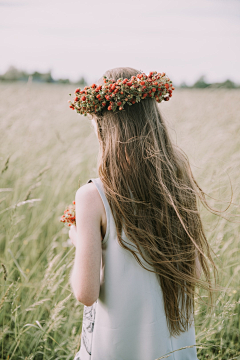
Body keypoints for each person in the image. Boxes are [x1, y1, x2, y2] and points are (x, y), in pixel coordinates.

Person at [68, 67, 216, 360]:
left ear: (101, 126)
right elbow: (195, 271)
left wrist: (79, 242)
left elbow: (86, 293)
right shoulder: (178, 179)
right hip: (174, 348)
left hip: (117, 348)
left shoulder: (92, 196)